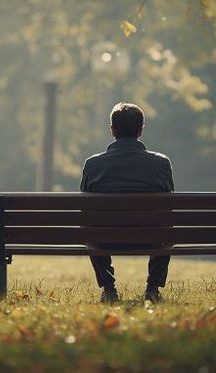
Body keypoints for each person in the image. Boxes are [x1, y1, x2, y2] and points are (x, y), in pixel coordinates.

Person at [80, 102, 174, 303]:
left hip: (105, 238)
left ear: (112, 130)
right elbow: (169, 206)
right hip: (151, 237)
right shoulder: (161, 163)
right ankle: (152, 288)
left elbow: (85, 209)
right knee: (166, 226)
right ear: (140, 131)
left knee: (92, 227)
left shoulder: (93, 164)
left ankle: (109, 288)